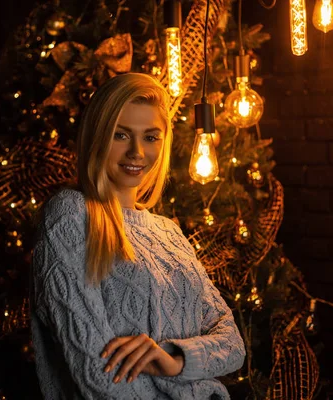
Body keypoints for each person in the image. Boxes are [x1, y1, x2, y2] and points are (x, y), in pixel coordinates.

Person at [30, 72, 246, 399]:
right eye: (120, 135)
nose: (136, 152)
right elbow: (97, 374)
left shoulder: (169, 233)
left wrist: (174, 361)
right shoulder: (70, 215)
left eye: (150, 137)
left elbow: (233, 344)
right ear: (97, 136)